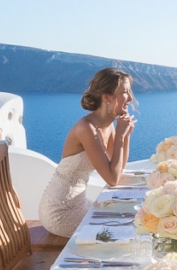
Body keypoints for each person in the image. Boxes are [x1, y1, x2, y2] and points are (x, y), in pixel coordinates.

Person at [39, 68, 136, 237]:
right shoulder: (87, 128)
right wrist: (120, 137)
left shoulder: (108, 124)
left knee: (129, 217)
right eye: (125, 92)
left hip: (80, 203)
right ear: (107, 97)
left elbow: (118, 169)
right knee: (122, 229)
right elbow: (112, 179)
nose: (130, 98)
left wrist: (125, 136)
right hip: (60, 212)